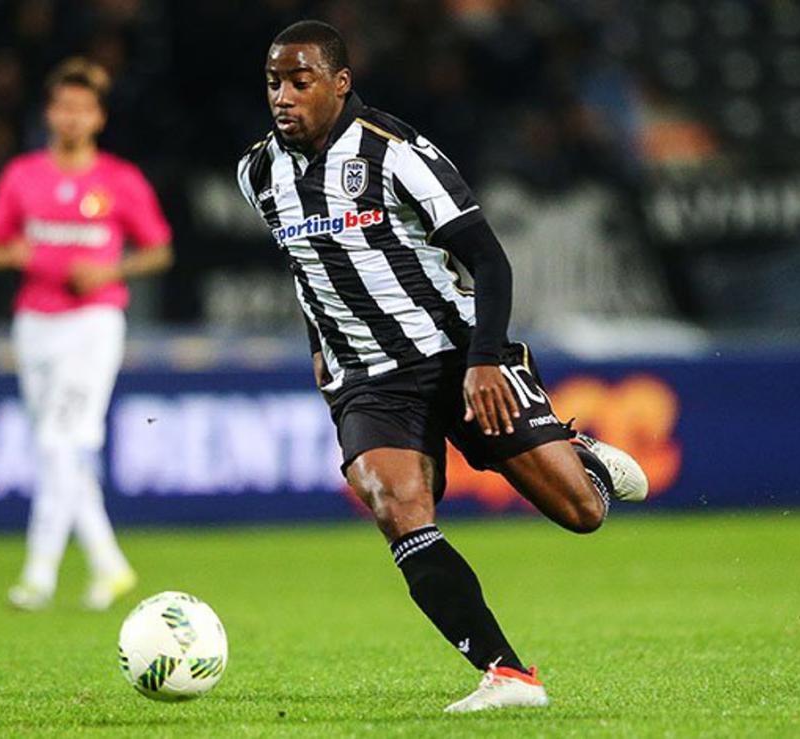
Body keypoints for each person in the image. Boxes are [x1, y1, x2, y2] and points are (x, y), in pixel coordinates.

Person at [237, 21, 649, 713]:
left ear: (339, 83)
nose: (284, 95)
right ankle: (507, 674)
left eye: (300, 81)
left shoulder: (394, 154)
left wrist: (485, 359)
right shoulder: (258, 173)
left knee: (581, 513)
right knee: (396, 505)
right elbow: (311, 272)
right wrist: (320, 352)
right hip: (367, 378)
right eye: (275, 82)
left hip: (455, 353)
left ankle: (583, 460)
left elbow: (489, 258)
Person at [0, 58, 173, 611]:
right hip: (35, 322)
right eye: (63, 107)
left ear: (99, 117)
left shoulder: (120, 180)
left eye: (83, 108)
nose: (72, 118)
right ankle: (109, 565)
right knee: (58, 449)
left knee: (59, 443)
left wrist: (110, 270)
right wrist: (16, 253)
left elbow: (158, 249)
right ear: (49, 113)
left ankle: (37, 576)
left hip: (93, 322)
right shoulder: (23, 176)